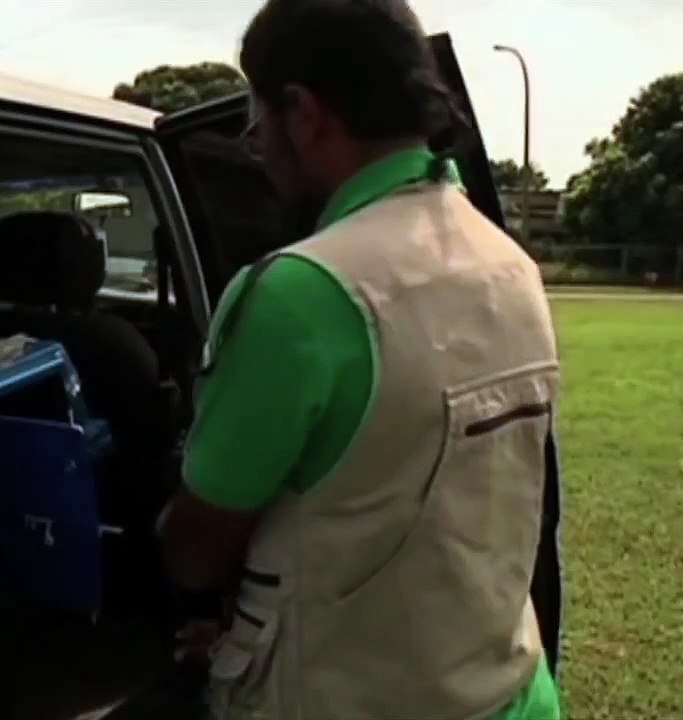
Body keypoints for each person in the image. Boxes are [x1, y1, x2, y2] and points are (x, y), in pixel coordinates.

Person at [156, 1, 563, 719]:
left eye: (256, 126)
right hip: (511, 693)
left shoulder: (297, 294)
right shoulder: (511, 266)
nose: (259, 151)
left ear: (304, 113)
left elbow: (197, 552)